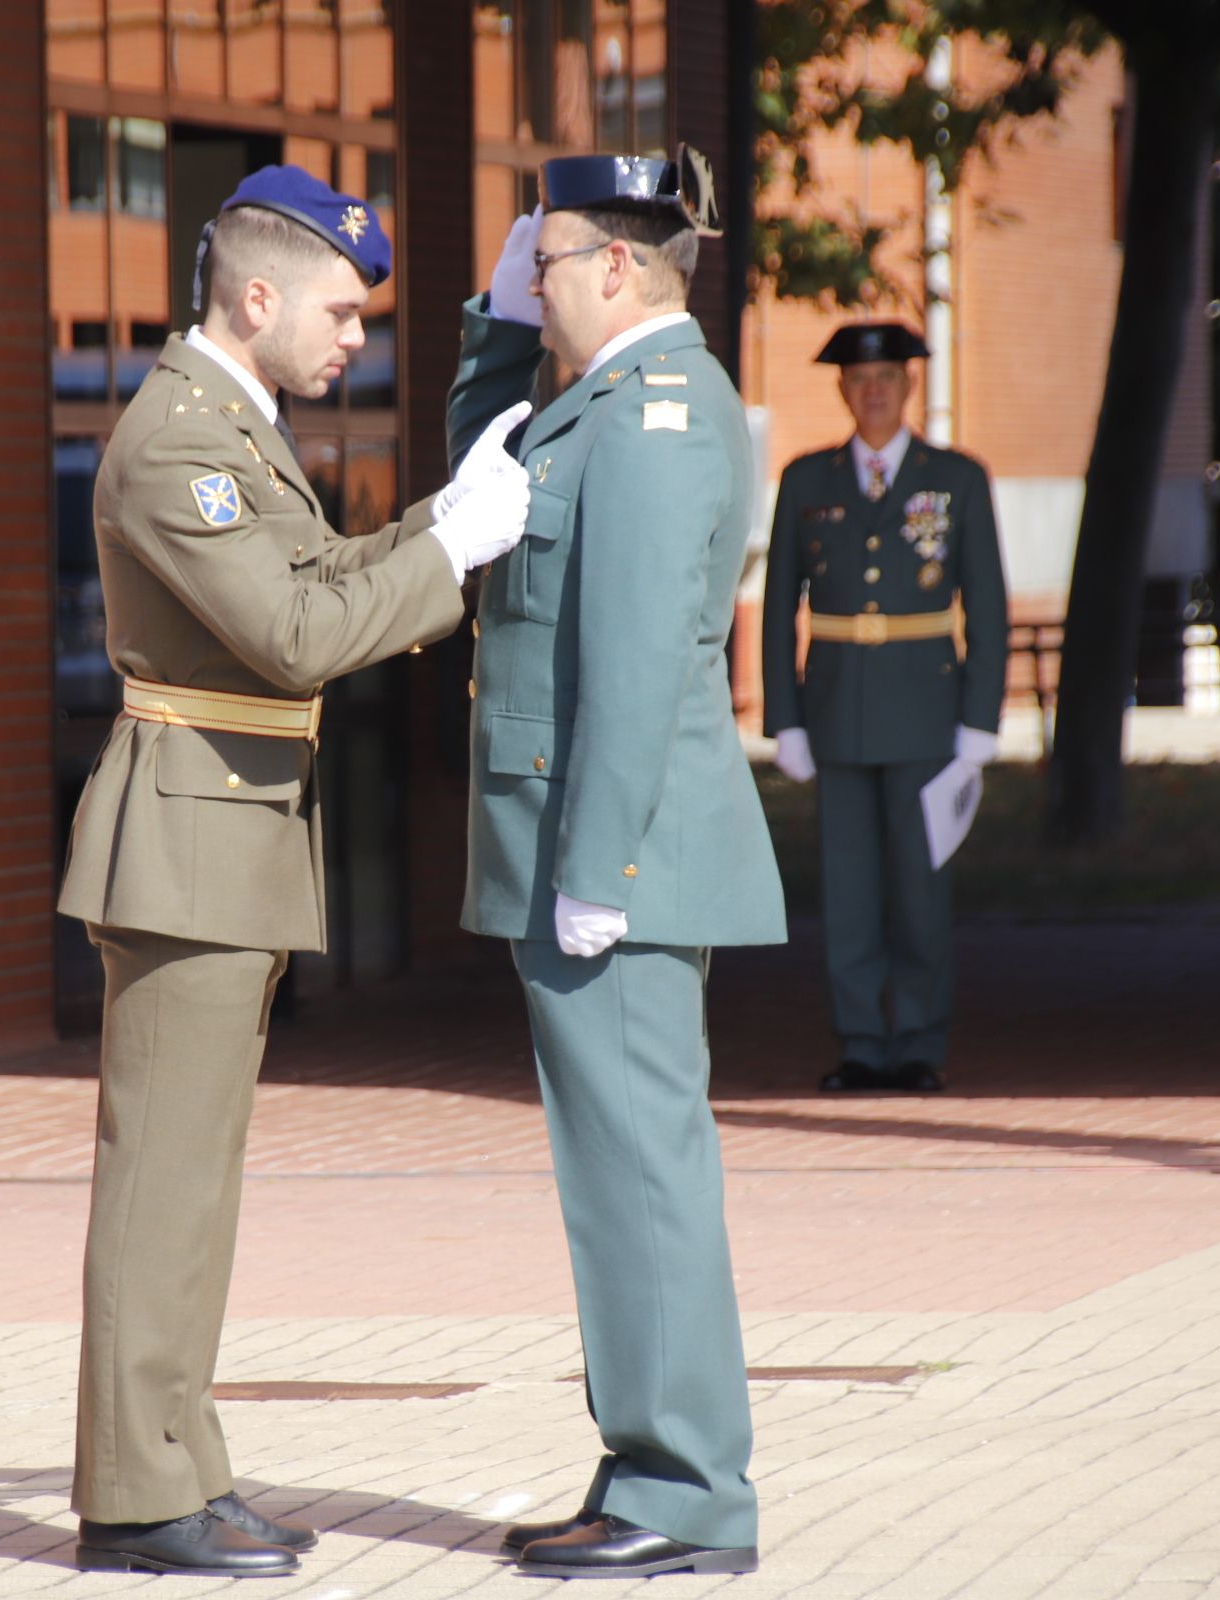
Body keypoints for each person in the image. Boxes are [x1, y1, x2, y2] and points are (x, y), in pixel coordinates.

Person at [56, 165, 533, 1577]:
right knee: (163, 1183)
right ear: (257, 297)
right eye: (337, 309)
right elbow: (294, 636)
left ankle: (178, 1465)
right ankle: (138, 1498)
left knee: (195, 1187)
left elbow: (323, 584)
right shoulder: (176, 445)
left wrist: (449, 513)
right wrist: (454, 541)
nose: (353, 339)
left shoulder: (235, 428)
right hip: (188, 839)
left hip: (227, 838)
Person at [446, 148, 785, 1579]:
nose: (534, 278)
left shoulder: (655, 413)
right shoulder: (592, 397)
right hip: (590, 854)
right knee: (618, 1173)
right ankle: (645, 1464)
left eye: (545, 261)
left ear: (616, 269)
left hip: (617, 863)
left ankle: (686, 1492)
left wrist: (595, 870)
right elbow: (482, 457)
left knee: (641, 1175)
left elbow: (642, 660)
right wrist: (489, 310)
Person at [759, 322, 1009, 1094]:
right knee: (850, 893)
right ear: (841, 389)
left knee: (920, 891)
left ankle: (918, 1044)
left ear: (908, 386)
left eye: (887, 378)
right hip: (836, 710)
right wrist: (786, 716)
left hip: (927, 712)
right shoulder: (808, 481)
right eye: (858, 378)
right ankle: (863, 1043)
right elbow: (777, 609)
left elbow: (988, 607)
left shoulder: (956, 479)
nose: (873, 390)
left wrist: (980, 720)